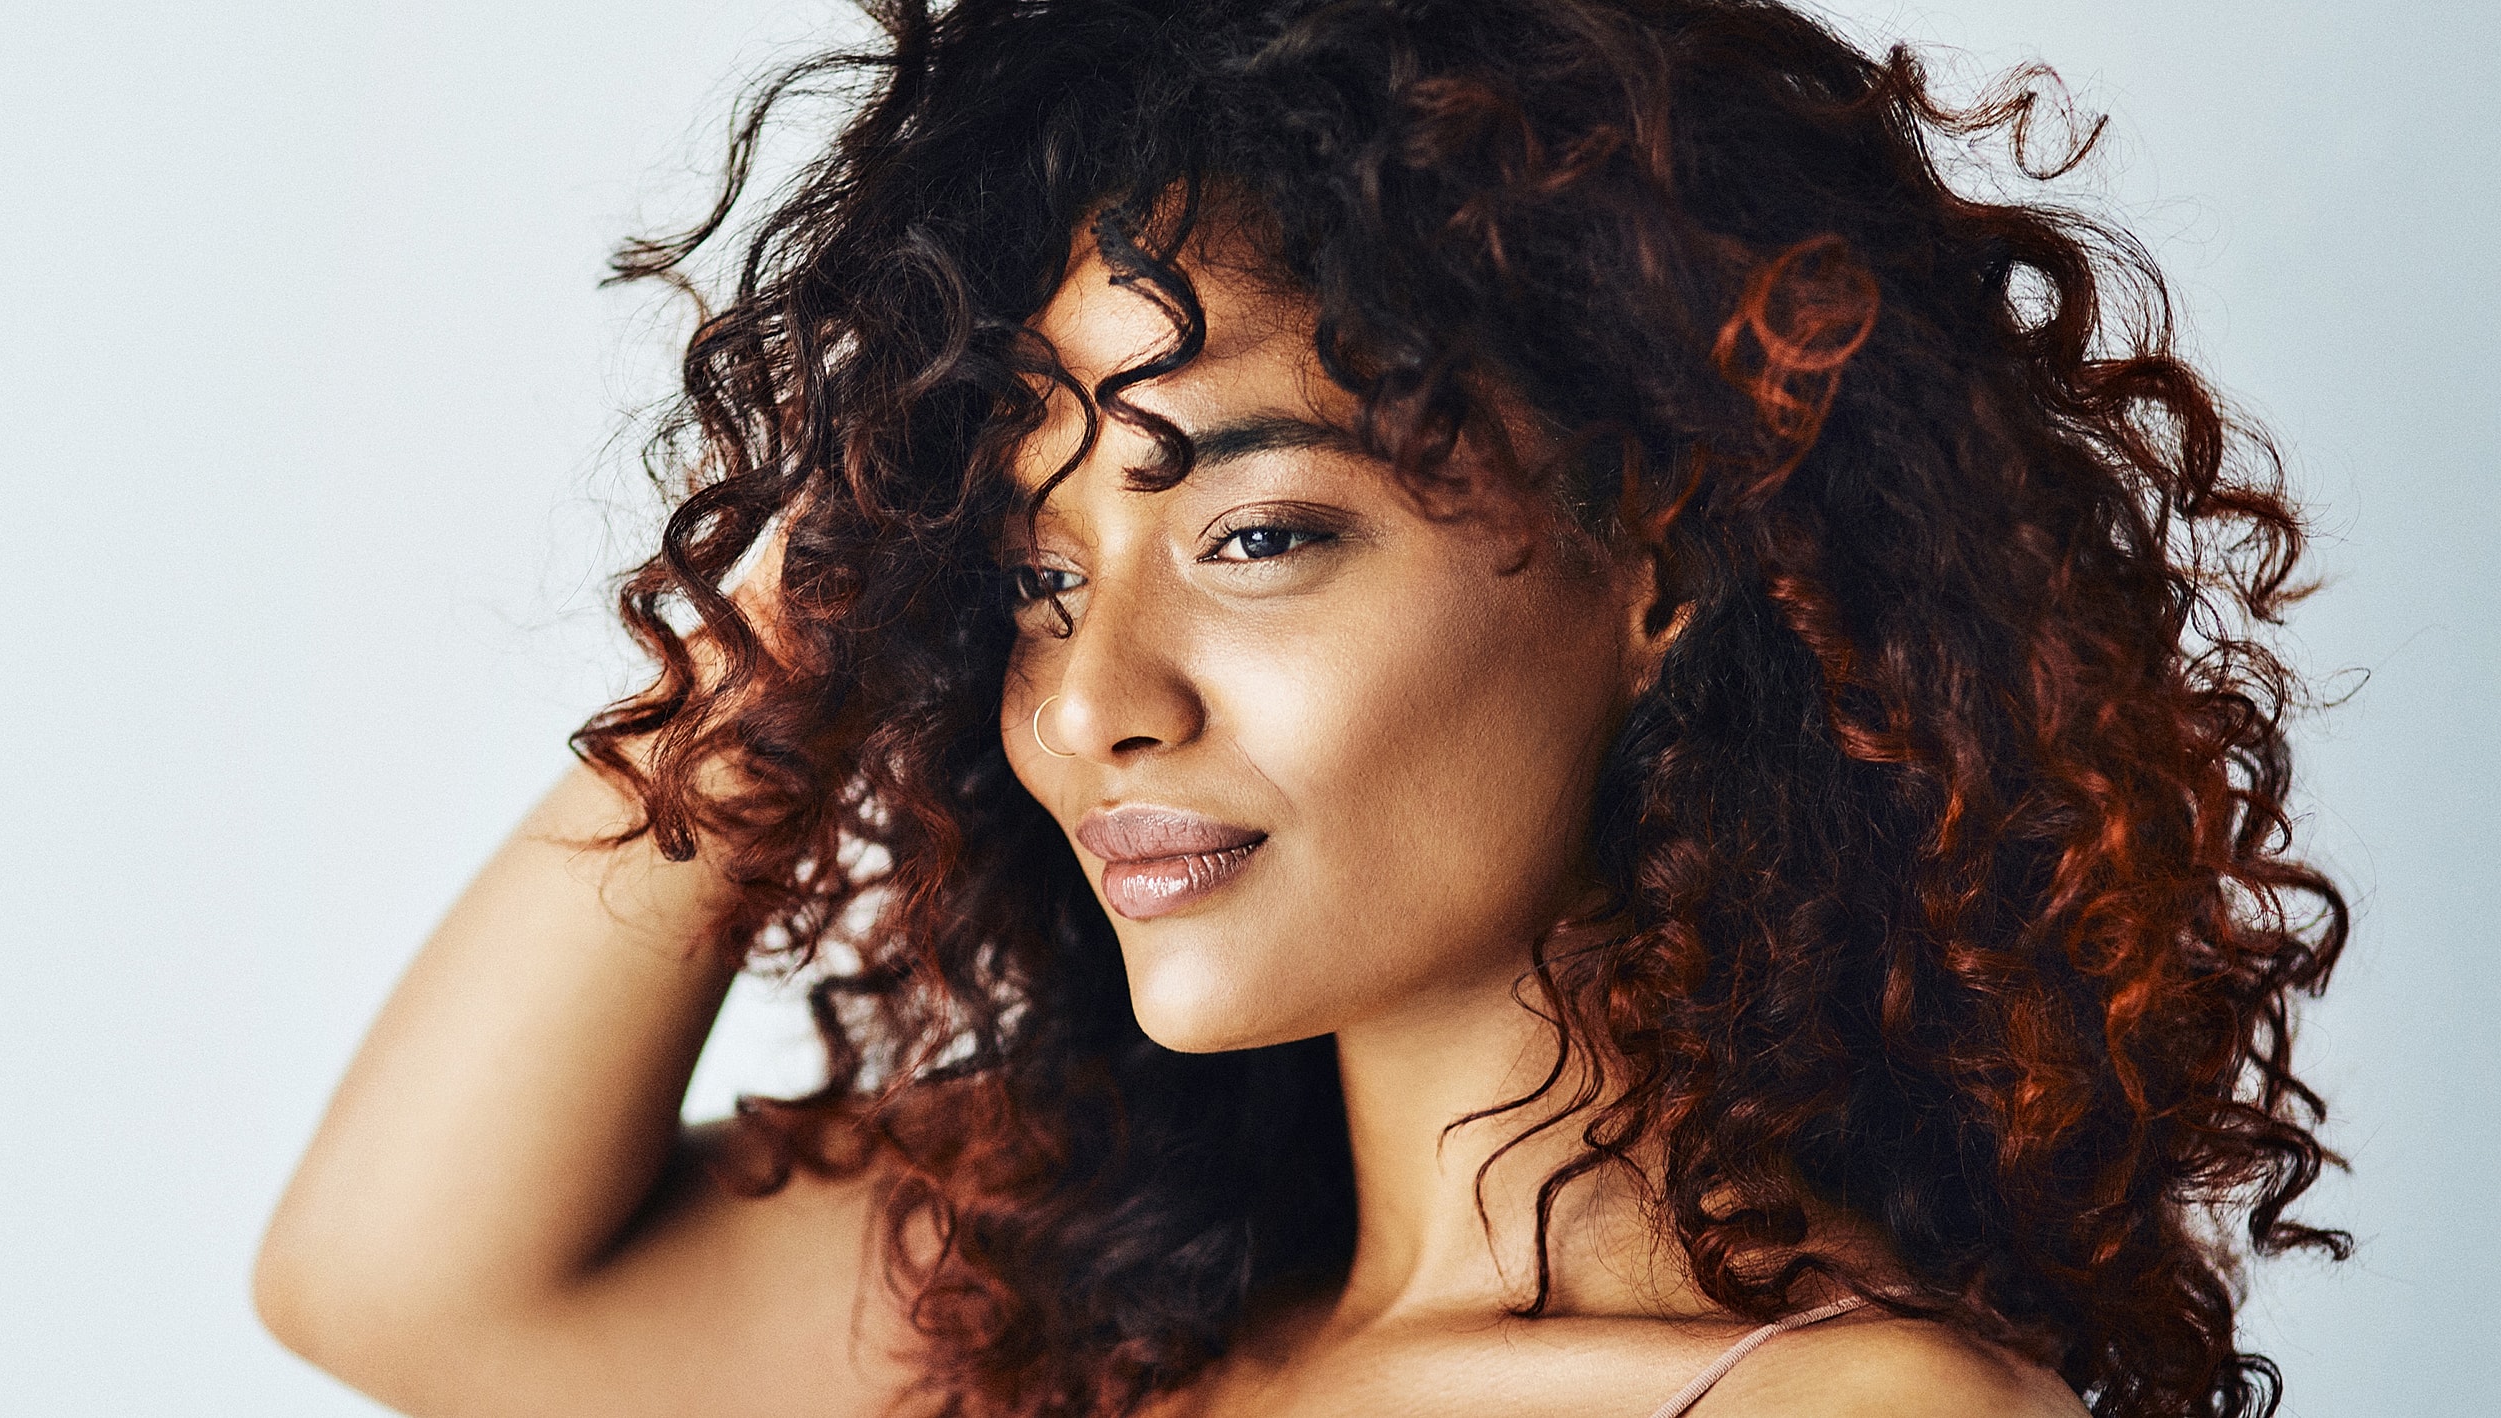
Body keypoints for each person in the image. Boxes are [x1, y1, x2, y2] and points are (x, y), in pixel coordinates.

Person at [253, 1, 2351, 1415]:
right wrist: (855, 521)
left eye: (1255, 535)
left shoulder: (1831, 1411)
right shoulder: (1081, 1286)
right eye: (1030, 579)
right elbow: (397, 1280)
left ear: (1672, 549)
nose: (1088, 705)